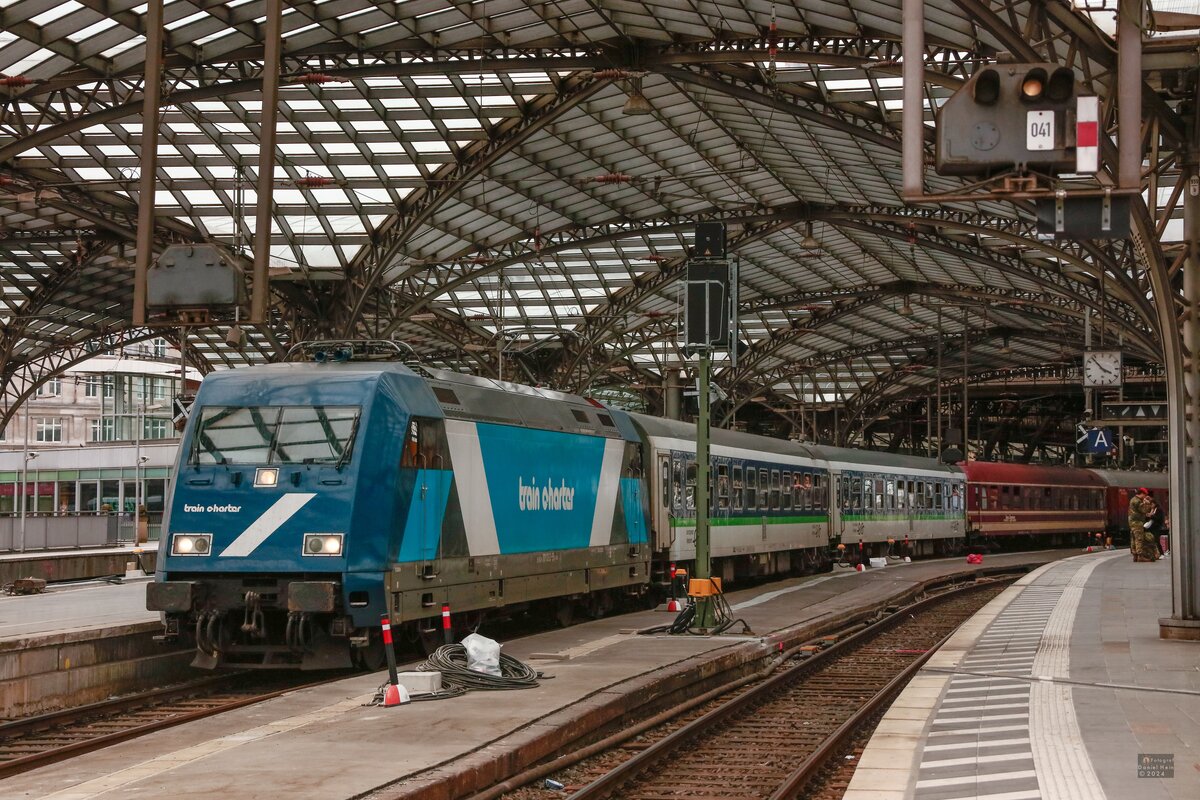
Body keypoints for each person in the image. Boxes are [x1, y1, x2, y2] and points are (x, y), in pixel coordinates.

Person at [1128, 487, 1158, 562]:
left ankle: (1135, 555)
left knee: (1134, 538)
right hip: (1137, 522)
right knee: (1139, 538)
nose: (1145, 497)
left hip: (1133, 522)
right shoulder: (1137, 501)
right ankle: (1140, 556)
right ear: (1141, 493)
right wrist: (1147, 503)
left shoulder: (1133, 499)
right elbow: (1144, 510)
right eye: (1145, 495)